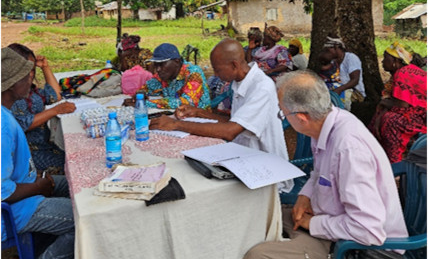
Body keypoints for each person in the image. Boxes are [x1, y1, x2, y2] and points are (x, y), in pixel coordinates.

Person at [224, 69, 408, 259]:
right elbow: (320, 170)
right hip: (339, 230)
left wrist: (315, 224)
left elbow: (368, 230)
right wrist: (305, 195)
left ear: (300, 117)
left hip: (364, 253)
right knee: (268, 217)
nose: (282, 118)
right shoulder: (329, 122)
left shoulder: (349, 148)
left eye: (282, 113)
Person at [1, 47, 75, 259]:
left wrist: (40, 182)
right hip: (13, 210)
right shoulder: (2, 124)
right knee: (82, 218)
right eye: (26, 76)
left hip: (25, 190)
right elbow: (3, 193)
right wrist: (40, 186)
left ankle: (27, 258)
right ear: (11, 84)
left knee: (76, 186)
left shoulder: (6, 112)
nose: (31, 81)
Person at [150, 39, 290, 163]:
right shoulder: (239, 81)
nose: (216, 75)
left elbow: (230, 131)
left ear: (234, 65)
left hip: (265, 164)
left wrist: (176, 124)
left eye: (217, 70)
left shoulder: (261, 87)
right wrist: (199, 112)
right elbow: (234, 121)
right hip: (243, 156)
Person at [8, 43, 76, 173]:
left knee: (75, 155)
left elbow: (55, 96)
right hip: (29, 154)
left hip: (45, 146)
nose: (30, 74)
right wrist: (55, 111)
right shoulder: (10, 95)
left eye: (32, 69)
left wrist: (45, 67)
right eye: (26, 69)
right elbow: (22, 123)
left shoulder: (28, 90)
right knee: (73, 165)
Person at [368, 41, 427, 163]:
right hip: (421, 112)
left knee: (390, 121)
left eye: (386, 58)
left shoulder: (403, 73)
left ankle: (394, 160)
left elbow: (402, 105)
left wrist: (383, 104)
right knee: (382, 115)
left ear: (396, 61)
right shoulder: (407, 70)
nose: (382, 61)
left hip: (423, 117)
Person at [129, 43, 211, 109]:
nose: (158, 69)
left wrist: (144, 103)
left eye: (161, 64)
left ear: (176, 61)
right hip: (176, 117)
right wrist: (139, 95)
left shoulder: (194, 73)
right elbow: (147, 87)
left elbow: (186, 103)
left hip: (199, 121)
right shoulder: (163, 75)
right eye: (156, 65)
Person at [323, 36, 365, 110]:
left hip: (355, 92)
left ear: (336, 48)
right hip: (339, 88)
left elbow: (355, 80)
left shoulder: (351, 58)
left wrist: (339, 89)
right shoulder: (333, 61)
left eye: (328, 51)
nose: (327, 53)